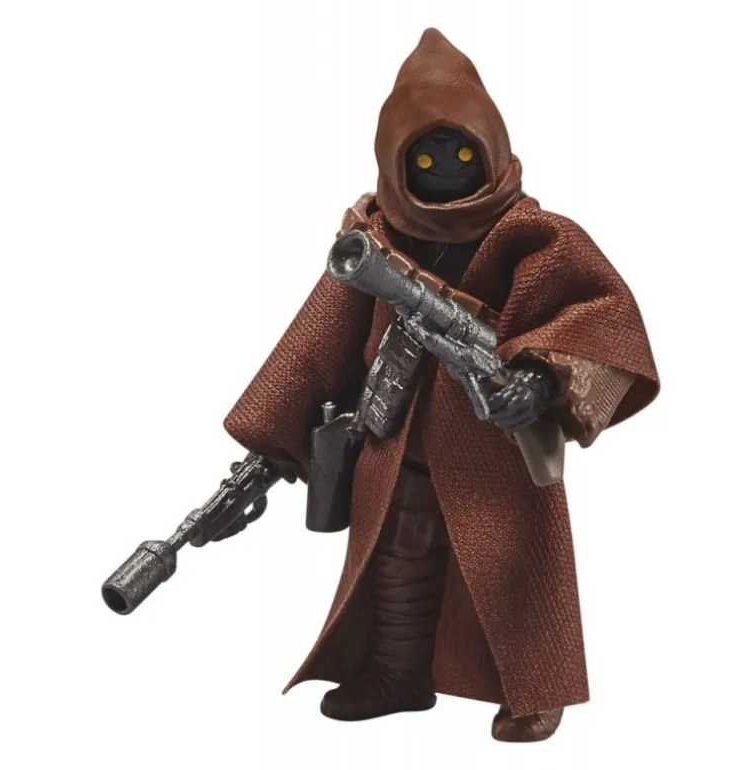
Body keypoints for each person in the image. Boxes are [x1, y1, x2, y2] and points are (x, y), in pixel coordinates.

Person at [224, 28, 659, 743]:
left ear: (491, 147)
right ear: (394, 159)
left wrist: (540, 381)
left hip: (494, 444)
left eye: (463, 153)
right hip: (396, 436)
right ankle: (397, 672)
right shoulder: (376, 240)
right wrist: (270, 443)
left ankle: (533, 688)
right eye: (424, 157)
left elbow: (600, 317)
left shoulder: (533, 235)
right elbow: (317, 342)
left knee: (513, 566)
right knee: (398, 559)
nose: (448, 170)